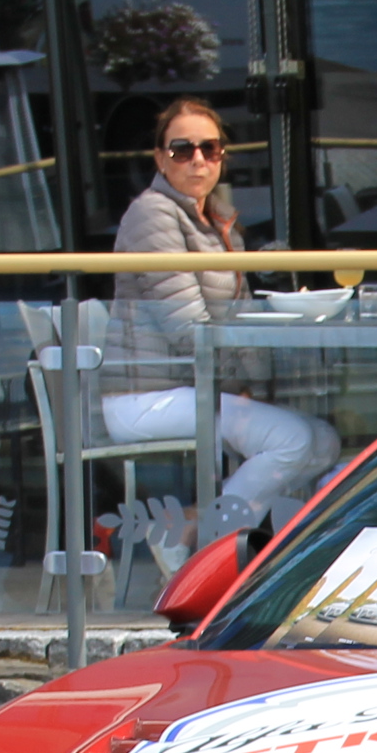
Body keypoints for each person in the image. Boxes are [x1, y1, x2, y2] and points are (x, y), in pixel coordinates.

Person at [108, 97, 340, 509]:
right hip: (146, 396)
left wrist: (252, 389)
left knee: (323, 442)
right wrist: (237, 389)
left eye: (210, 148)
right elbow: (189, 330)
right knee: (292, 440)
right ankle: (204, 537)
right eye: (182, 150)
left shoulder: (217, 221)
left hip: (197, 386)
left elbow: (239, 318)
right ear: (160, 159)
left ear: (221, 157)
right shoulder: (152, 214)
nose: (198, 159)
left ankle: (224, 530)